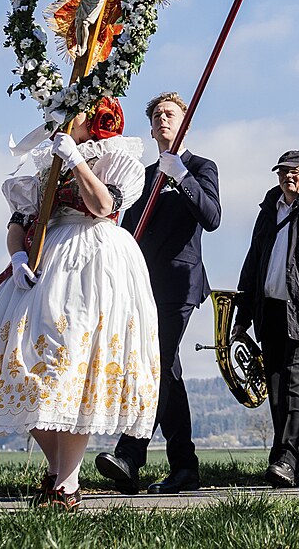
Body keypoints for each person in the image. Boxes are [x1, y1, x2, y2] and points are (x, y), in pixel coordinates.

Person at [0, 97, 159, 510]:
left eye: (70, 114)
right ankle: (61, 472)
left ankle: (65, 483)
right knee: (25, 367)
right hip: (44, 263)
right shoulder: (46, 166)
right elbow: (19, 223)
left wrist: (77, 161)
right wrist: (18, 256)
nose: (58, 122)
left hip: (94, 261)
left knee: (73, 364)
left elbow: (103, 207)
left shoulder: (114, 159)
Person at [95, 93, 221, 495]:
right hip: (143, 285)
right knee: (167, 371)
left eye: (170, 114)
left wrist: (182, 176)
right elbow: (127, 232)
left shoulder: (201, 167)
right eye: (156, 116)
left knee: (156, 365)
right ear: (150, 129)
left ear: (184, 123)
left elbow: (212, 218)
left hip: (180, 284)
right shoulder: (143, 176)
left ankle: (131, 454)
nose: (163, 120)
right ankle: (185, 466)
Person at [232, 150, 299, 488]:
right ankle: (298, 463)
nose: (288, 177)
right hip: (271, 311)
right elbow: (253, 264)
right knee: (277, 389)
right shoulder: (268, 212)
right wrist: (242, 315)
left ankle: (285, 458)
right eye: (282, 172)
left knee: (293, 380)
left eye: (295, 171)